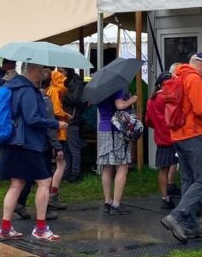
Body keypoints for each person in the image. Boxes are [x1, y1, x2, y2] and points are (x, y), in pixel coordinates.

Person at [0, 62, 66, 242]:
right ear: (34, 70)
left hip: (10, 141)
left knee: (16, 184)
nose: (43, 74)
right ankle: (41, 228)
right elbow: (32, 118)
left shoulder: (11, 86)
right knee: (45, 182)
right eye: (41, 70)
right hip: (27, 143)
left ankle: (5, 228)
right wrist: (56, 124)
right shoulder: (27, 90)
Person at [161, 53, 202, 244]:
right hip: (192, 134)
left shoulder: (177, 75)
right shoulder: (193, 78)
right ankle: (177, 216)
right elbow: (199, 109)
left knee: (188, 179)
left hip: (177, 134)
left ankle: (191, 224)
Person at [96, 82, 138, 216]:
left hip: (103, 129)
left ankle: (107, 201)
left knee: (107, 167)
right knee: (122, 166)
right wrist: (132, 100)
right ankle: (116, 204)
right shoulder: (116, 87)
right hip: (116, 130)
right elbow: (120, 105)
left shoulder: (99, 90)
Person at [145, 72, 177, 209]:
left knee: (163, 169)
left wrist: (158, 126)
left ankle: (165, 197)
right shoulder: (167, 98)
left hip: (160, 137)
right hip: (174, 136)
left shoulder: (151, 100)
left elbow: (148, 121)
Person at [46, 69, 70, 209]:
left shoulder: (48, 90)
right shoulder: (54, 91)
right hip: (58, 132)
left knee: (55, 164)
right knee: (61, 164)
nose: (63, 83)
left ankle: (51, 193)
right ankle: (53, 194)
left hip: (52, 132)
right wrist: (66, 115)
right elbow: (56, 110)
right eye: (61, 80)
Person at [62, 67, 86, 183]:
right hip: (65, 119)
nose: (60, 73)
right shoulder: (66, 82)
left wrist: (63, 92)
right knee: (66, 148)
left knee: (73, 148)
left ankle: (75, 173)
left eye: (62, 71)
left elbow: (75, 99)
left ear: (67, 71)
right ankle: (67, 172)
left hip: (72, 119)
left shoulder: (77, 83)